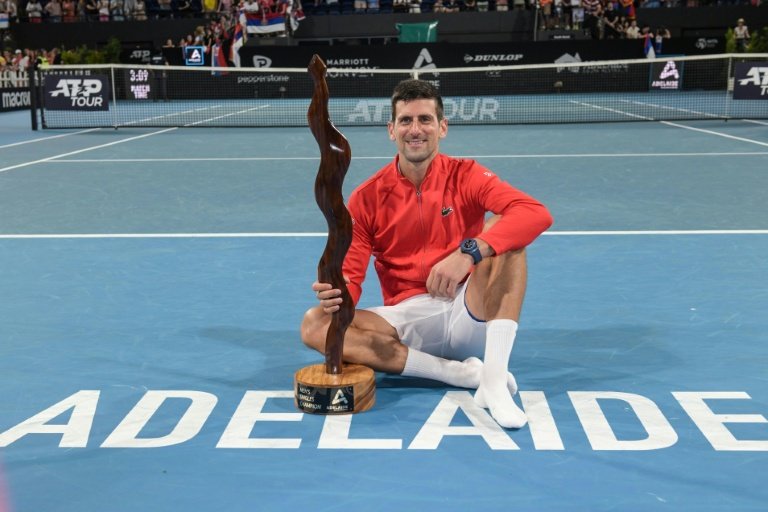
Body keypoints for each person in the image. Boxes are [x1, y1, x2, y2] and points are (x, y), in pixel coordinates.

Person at [301, 80, 553, 429]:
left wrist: (468, 251)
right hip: (407, 321)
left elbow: (535, 213)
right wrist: (339, 291)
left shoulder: (467, 175)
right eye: (405, 121)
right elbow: (352, 273)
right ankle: (458, 374)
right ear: (391, 130)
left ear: (442, 127)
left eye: (425, 119)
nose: (415, 129)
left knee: (506, 237)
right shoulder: (366, 197)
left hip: (469, 309)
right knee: (315, 324)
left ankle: (493, 382)